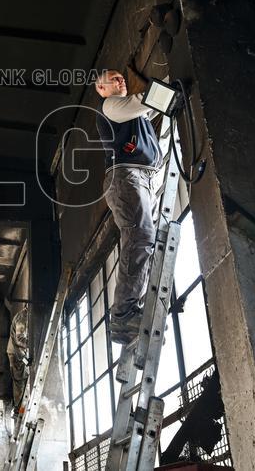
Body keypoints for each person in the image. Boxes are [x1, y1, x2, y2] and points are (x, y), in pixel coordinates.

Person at [93, 68, 163, 344]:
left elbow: (149, 111)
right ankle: (123, 317)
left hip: (142, 177)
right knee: (140, 236)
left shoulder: (134, 115)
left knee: (146, 239)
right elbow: (146, 102)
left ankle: (131, 311)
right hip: (126, 176)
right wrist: (168, 87)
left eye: (122, 76)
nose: (120, 79)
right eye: (113, 78)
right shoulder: (111, 106)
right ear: (102, 89)